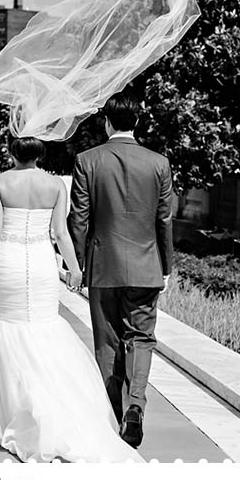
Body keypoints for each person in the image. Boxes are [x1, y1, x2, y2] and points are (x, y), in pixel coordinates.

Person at [0, 136, 144, 463]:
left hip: (9, 262)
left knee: (8, 330)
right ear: (41, 154)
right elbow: (61, 234)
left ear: (13, 152)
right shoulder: (55, 186)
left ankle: (17, 412)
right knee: (43, 327)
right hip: (41, 262)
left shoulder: (0, 182)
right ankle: (53, 406)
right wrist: (75, 269)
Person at [67, 92, 174, 448]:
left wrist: (76, 264)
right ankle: (136, 407)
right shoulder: (159, 163)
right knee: (142, 339)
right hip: (146, 266)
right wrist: (167, 266)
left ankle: (112, 414)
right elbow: (164, 220)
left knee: (108, 342)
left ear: (106, 122)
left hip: (103, 267)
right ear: (138, 123)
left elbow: (79, 219)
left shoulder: (87, 160)